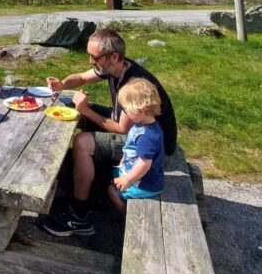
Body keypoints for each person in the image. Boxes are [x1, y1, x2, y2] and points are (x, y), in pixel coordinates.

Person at [40, 27, 177, 237]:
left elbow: (122, 129)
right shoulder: (115, 67)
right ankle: (82, 182)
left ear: (113, 56)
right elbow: (82, 78)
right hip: (137, 130)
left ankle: (79, 215)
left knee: (83, 142)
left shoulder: (133, 84)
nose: (90, 61)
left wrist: (85, 110)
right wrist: (62, 84)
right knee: (75, 109)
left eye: (94, 57)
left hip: (150, 147)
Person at [107, 79, 165, 213]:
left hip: (145, 184)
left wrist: (127, 179)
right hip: (135, 172)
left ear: (142, 109)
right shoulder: (143, 125)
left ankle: (124, 213)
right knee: (112, 174)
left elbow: (144, 165)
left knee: (112, 191)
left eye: (127, 109)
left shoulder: (146, 137)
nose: (125, 112)